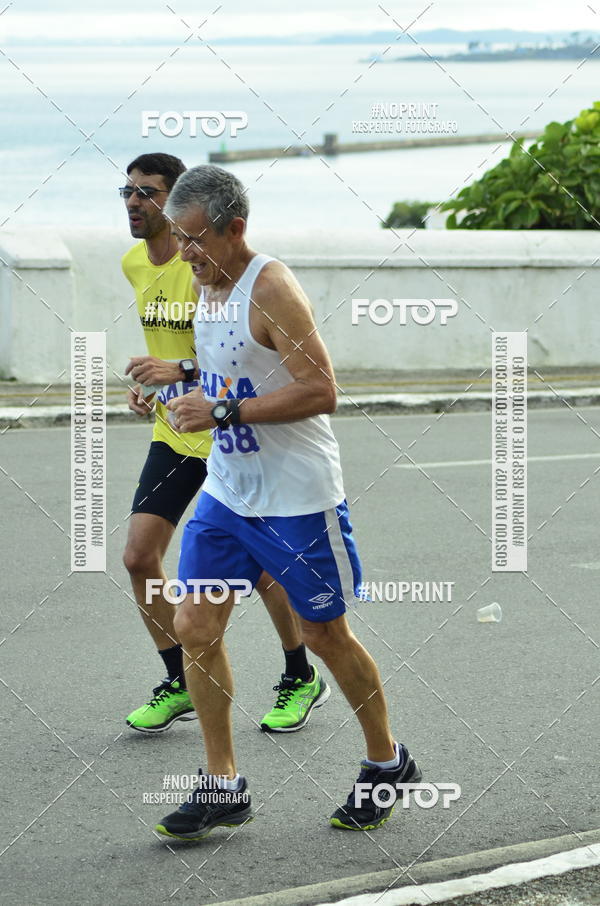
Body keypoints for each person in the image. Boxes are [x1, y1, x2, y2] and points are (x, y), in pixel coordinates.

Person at [155, 164, 421, 840]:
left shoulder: (270, 287)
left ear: (233, 228)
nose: (184, 254)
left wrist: (217, 408)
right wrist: (178, 382)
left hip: (296, 498)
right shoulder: (204, 277)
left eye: (193, 240)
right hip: (228, 492)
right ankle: (223, 785)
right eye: (176, 239)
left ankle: (386, 762)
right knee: (194, 626)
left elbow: (320, 389)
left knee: (323, 636)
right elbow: (235, 363)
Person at [120, 153, 330, 735]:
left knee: (261, 570)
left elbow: (237, 357)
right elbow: (182, 353)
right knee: (139, 557)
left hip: (224, 432)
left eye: (148, 192)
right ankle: (182, 681)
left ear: (180, 201)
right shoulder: (136, 264)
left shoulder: (214, 267)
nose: (135, 202)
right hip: (178, 428)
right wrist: (150, 386)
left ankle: (298, 673)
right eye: (128, 191)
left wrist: (186, 377)